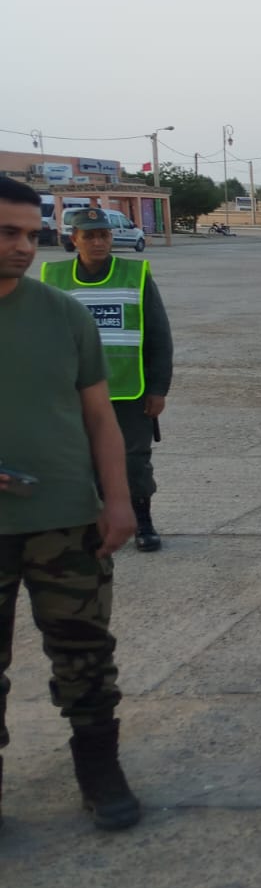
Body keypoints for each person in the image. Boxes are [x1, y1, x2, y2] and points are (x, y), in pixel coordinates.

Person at [0, 178, 142, 830]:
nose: (23, 247)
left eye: (32, 234)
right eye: (8, 233)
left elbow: (100, 419)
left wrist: (118, 501)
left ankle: (99, 768)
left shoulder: (63, 315)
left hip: (65, 520)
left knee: (85, 652)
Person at [40, 207, 173, 552]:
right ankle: (92, 522)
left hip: (129, 390)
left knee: (134, 461)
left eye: (104, 235)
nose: (98, 242)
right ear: (74, 239)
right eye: (90, 236)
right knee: (80, 460)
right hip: (75, 393)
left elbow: (158, 336)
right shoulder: (53, 277)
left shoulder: (135, 274)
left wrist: (158, 388)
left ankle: (142, 521)